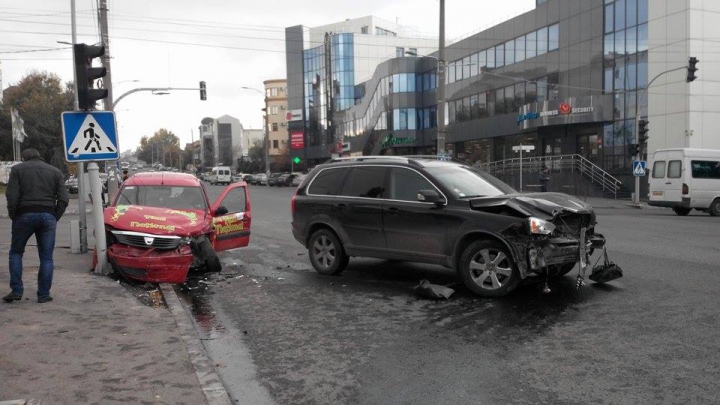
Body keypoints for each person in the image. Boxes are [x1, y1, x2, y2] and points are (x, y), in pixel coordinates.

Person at [4, 149, 69, 303]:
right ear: (40, 156)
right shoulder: (55, 172)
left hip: (23, 215)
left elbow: (11, 196)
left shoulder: (17, 170)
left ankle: (16, 290)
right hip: (48, 216)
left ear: (23, 158)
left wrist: (14, 215)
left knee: (16, 253)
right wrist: (54, 216)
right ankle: (44, 294)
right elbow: (64, 199)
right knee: (46, 257)